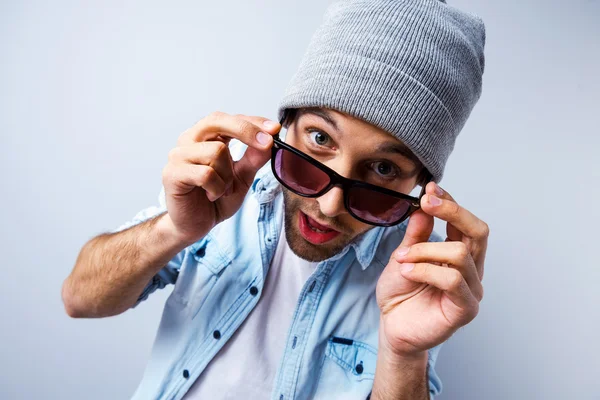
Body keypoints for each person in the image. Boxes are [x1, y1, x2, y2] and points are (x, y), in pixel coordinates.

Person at [61, 0, 489, 399]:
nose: (329, 205)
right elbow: (78, 299)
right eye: (320, 139)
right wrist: (174, 230)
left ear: (421, 186)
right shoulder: (221, 187)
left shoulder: (417, 270)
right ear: (283, 123)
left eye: (382, 169)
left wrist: (403, 354)